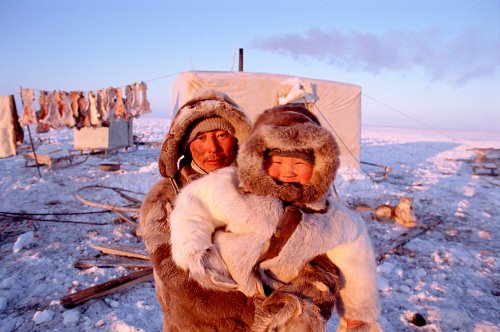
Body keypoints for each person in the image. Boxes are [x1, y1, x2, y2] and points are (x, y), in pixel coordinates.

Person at [169, 104, 382, 331]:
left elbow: (356, 263)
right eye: (277, 162)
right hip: (225, 286)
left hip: (285, 304)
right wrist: (195, 250)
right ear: (258, 159)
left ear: (320, 165)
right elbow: (194, 204)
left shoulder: (332, 218)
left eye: (299, 164)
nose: (287, 172)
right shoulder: (232, 188)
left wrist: (358, 313)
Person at [139, 89, 254, 331]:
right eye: (200, 138)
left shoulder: (259, 189)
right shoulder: (166, 197)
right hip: (193, 322)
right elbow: (173, 273)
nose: (212, 148)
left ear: (238, 138)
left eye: (222, 135)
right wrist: (242, 310)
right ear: (186, 145)